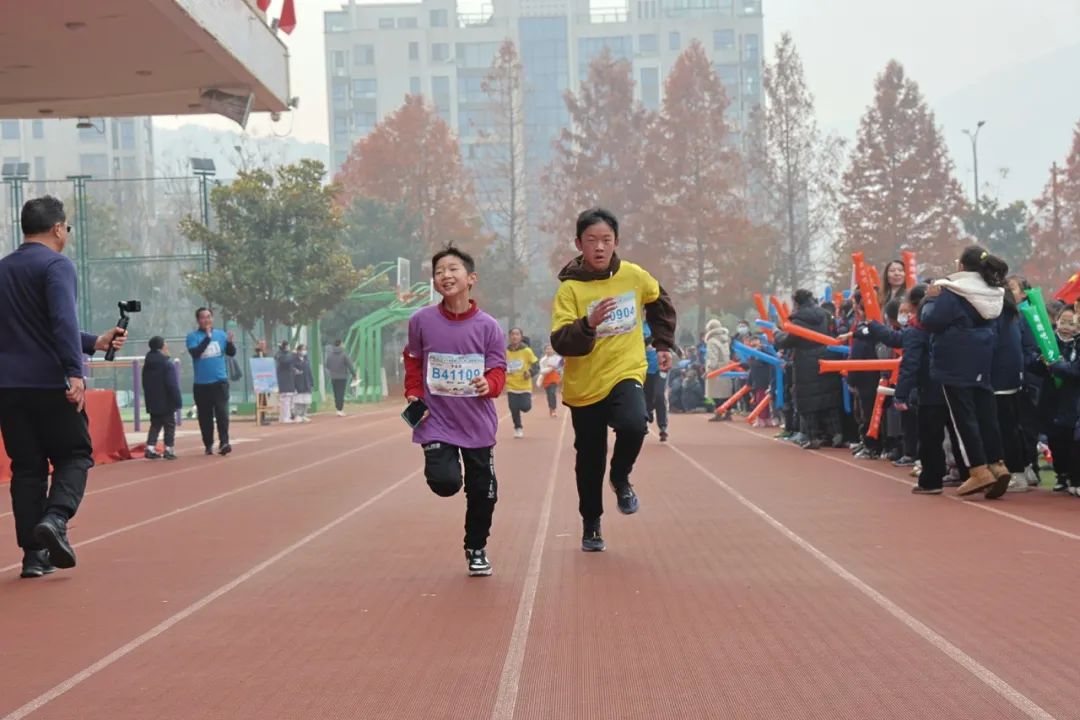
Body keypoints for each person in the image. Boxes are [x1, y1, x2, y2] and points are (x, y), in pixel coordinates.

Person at [0, 196, 127, 578]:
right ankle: (56, 519)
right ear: (57, 228)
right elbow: (60, 320)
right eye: (66, 228)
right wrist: (75, 371)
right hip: (50, 383)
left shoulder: (3, 269)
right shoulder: (57, 265)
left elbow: (39, 325)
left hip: (7, 388)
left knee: (27, 468)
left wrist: (94, 342)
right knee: (75, 454)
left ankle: (34, 557)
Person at [550, 207, 676, 552]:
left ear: (616, 242)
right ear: (579, 244)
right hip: (585, 386)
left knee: (635, 424)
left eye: (606, 240)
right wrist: (587, 324)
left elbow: (659, 300)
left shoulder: (633, 276)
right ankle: (591, 521)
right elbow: (561, 341)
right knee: (589, 458)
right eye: (592, 240)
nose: (600, 247)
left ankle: (620, 477)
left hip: (626, 369)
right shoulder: (569, 291)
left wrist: (663, 343)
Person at [403, 245, 506, 577]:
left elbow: (498, 370)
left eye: (453, 270)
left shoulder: (489, 327)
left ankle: (476, 547)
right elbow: (413, 360)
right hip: (437, 420)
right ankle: (439, 463)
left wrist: (487, 385)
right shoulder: (421, 321)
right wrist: (413, 392)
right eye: (439, 272)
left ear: (470, 278)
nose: (445, 276)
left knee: (483, 491)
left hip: (476, 422)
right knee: (446, 483)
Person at [921, 246, 1008, 497]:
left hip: (954, 361)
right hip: (983, 358)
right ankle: (997, 464)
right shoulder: (994, 291)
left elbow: (931, 320)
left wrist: (930, 299)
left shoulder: (952, 291)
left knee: (963, 419)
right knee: (986, 415)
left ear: (961, 266)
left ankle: (978, 470)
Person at [774, 289, 843, 450]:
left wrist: (776, 334)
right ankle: (836, 433)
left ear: (796, 302)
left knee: (807, 401)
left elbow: (788, 340)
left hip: (805, 361)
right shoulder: (825, 315)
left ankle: (812, 437)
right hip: (826, 356)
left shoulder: (797, 321)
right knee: (828, 397)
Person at [186, 308, 235, 455]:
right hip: (201, 384)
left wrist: (230, 343)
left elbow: (231, 353)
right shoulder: (192, 337)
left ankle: (224, 442)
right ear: (198, 320)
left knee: (222, 413)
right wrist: (207, 338)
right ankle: (208, 444)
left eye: (208, 317)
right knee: (205, 416)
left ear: (212, 318)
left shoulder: (220, 335)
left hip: (219, 381)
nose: (206, 320)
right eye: (203, 318)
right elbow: (195, 353)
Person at [142, 336, 182, 460]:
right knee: (169, 425)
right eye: (165, 344)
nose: (167, 346)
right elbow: (171, 384)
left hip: (152, 400)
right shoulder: (166, 364)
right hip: (166, 400)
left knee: (155, 424)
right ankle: (168, 449)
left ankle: (150, 447)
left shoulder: (147, 364)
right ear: (161, 346)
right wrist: (177, 399)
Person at [505, 327, 538, 438]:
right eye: (512, 334)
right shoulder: (506, 352)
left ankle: (522, 406)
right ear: (509, 337)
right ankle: (518, 428)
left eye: (517, 334)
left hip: (524, 385)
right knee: (513, 408)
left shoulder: (527, 351)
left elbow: (536, 365)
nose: (514, 336)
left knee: (525, 407)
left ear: (521, 337)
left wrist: (530, 372)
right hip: (511, 385)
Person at [704, 319, 735, 421]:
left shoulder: (712, 341)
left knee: (715, 393)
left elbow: (713, 357)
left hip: (716, 369)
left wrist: (709, 370)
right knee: (726, 393)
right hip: (726, 367)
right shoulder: (725, 339)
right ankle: (728, 412)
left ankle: (718, 412)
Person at [643, 324, 669, 441]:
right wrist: (651, 338)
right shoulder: (640, 327)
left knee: (659, 394)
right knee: (646, 395)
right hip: (645, 369)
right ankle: (648, 412)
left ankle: (662, 427)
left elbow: (668, 342)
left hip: (661, 368)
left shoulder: (662, 326)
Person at [325, 339, 357, 416]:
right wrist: (354, 375)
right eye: (342, 344)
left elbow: (327, 365)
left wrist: (333, 370)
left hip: (333, 377)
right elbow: (350, 365)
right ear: (340, 344)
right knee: (340, 393)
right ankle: (340, 409)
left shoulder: (330, 355)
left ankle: (337, 408)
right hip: (342, 377)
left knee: (336, 393)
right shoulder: (344, 355)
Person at [275, 340, 299, 424]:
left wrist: (294, 370)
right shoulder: (280, 355)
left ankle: (283, 417)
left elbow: (289, 364)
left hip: (288, 379)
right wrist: (293, 354)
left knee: (286, 400)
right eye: (288, 346)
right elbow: (286, 361)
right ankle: (286, 417)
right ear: (285, 346)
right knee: (286, 400)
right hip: (284, 380)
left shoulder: (284, 355)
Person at [537, 344, 563, 418]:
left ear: (554, 350)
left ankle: (554, 410)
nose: (549, 350)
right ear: (545, 350)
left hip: (554, 378)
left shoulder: (558, 358)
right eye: (547, 349)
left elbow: (561, 368)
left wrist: (557, 371)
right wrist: (550, 368)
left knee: (552, 393)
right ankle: (551, 408)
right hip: (546, 379)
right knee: (549, 395)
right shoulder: (543, 360)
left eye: (551, 349)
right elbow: (542, 371)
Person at [293, 344, 315, 423]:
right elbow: (292, 370)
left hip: (307, 382)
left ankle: (304, 415)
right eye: (302, 349)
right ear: (298, 350)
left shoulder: (306, 360)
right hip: (298, 382)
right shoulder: (294, 360)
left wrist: (311, 382)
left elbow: (309, 372)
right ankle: (298, 415)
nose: (304, 351)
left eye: (305, 349)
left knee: (306, 400)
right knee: (299, 400)